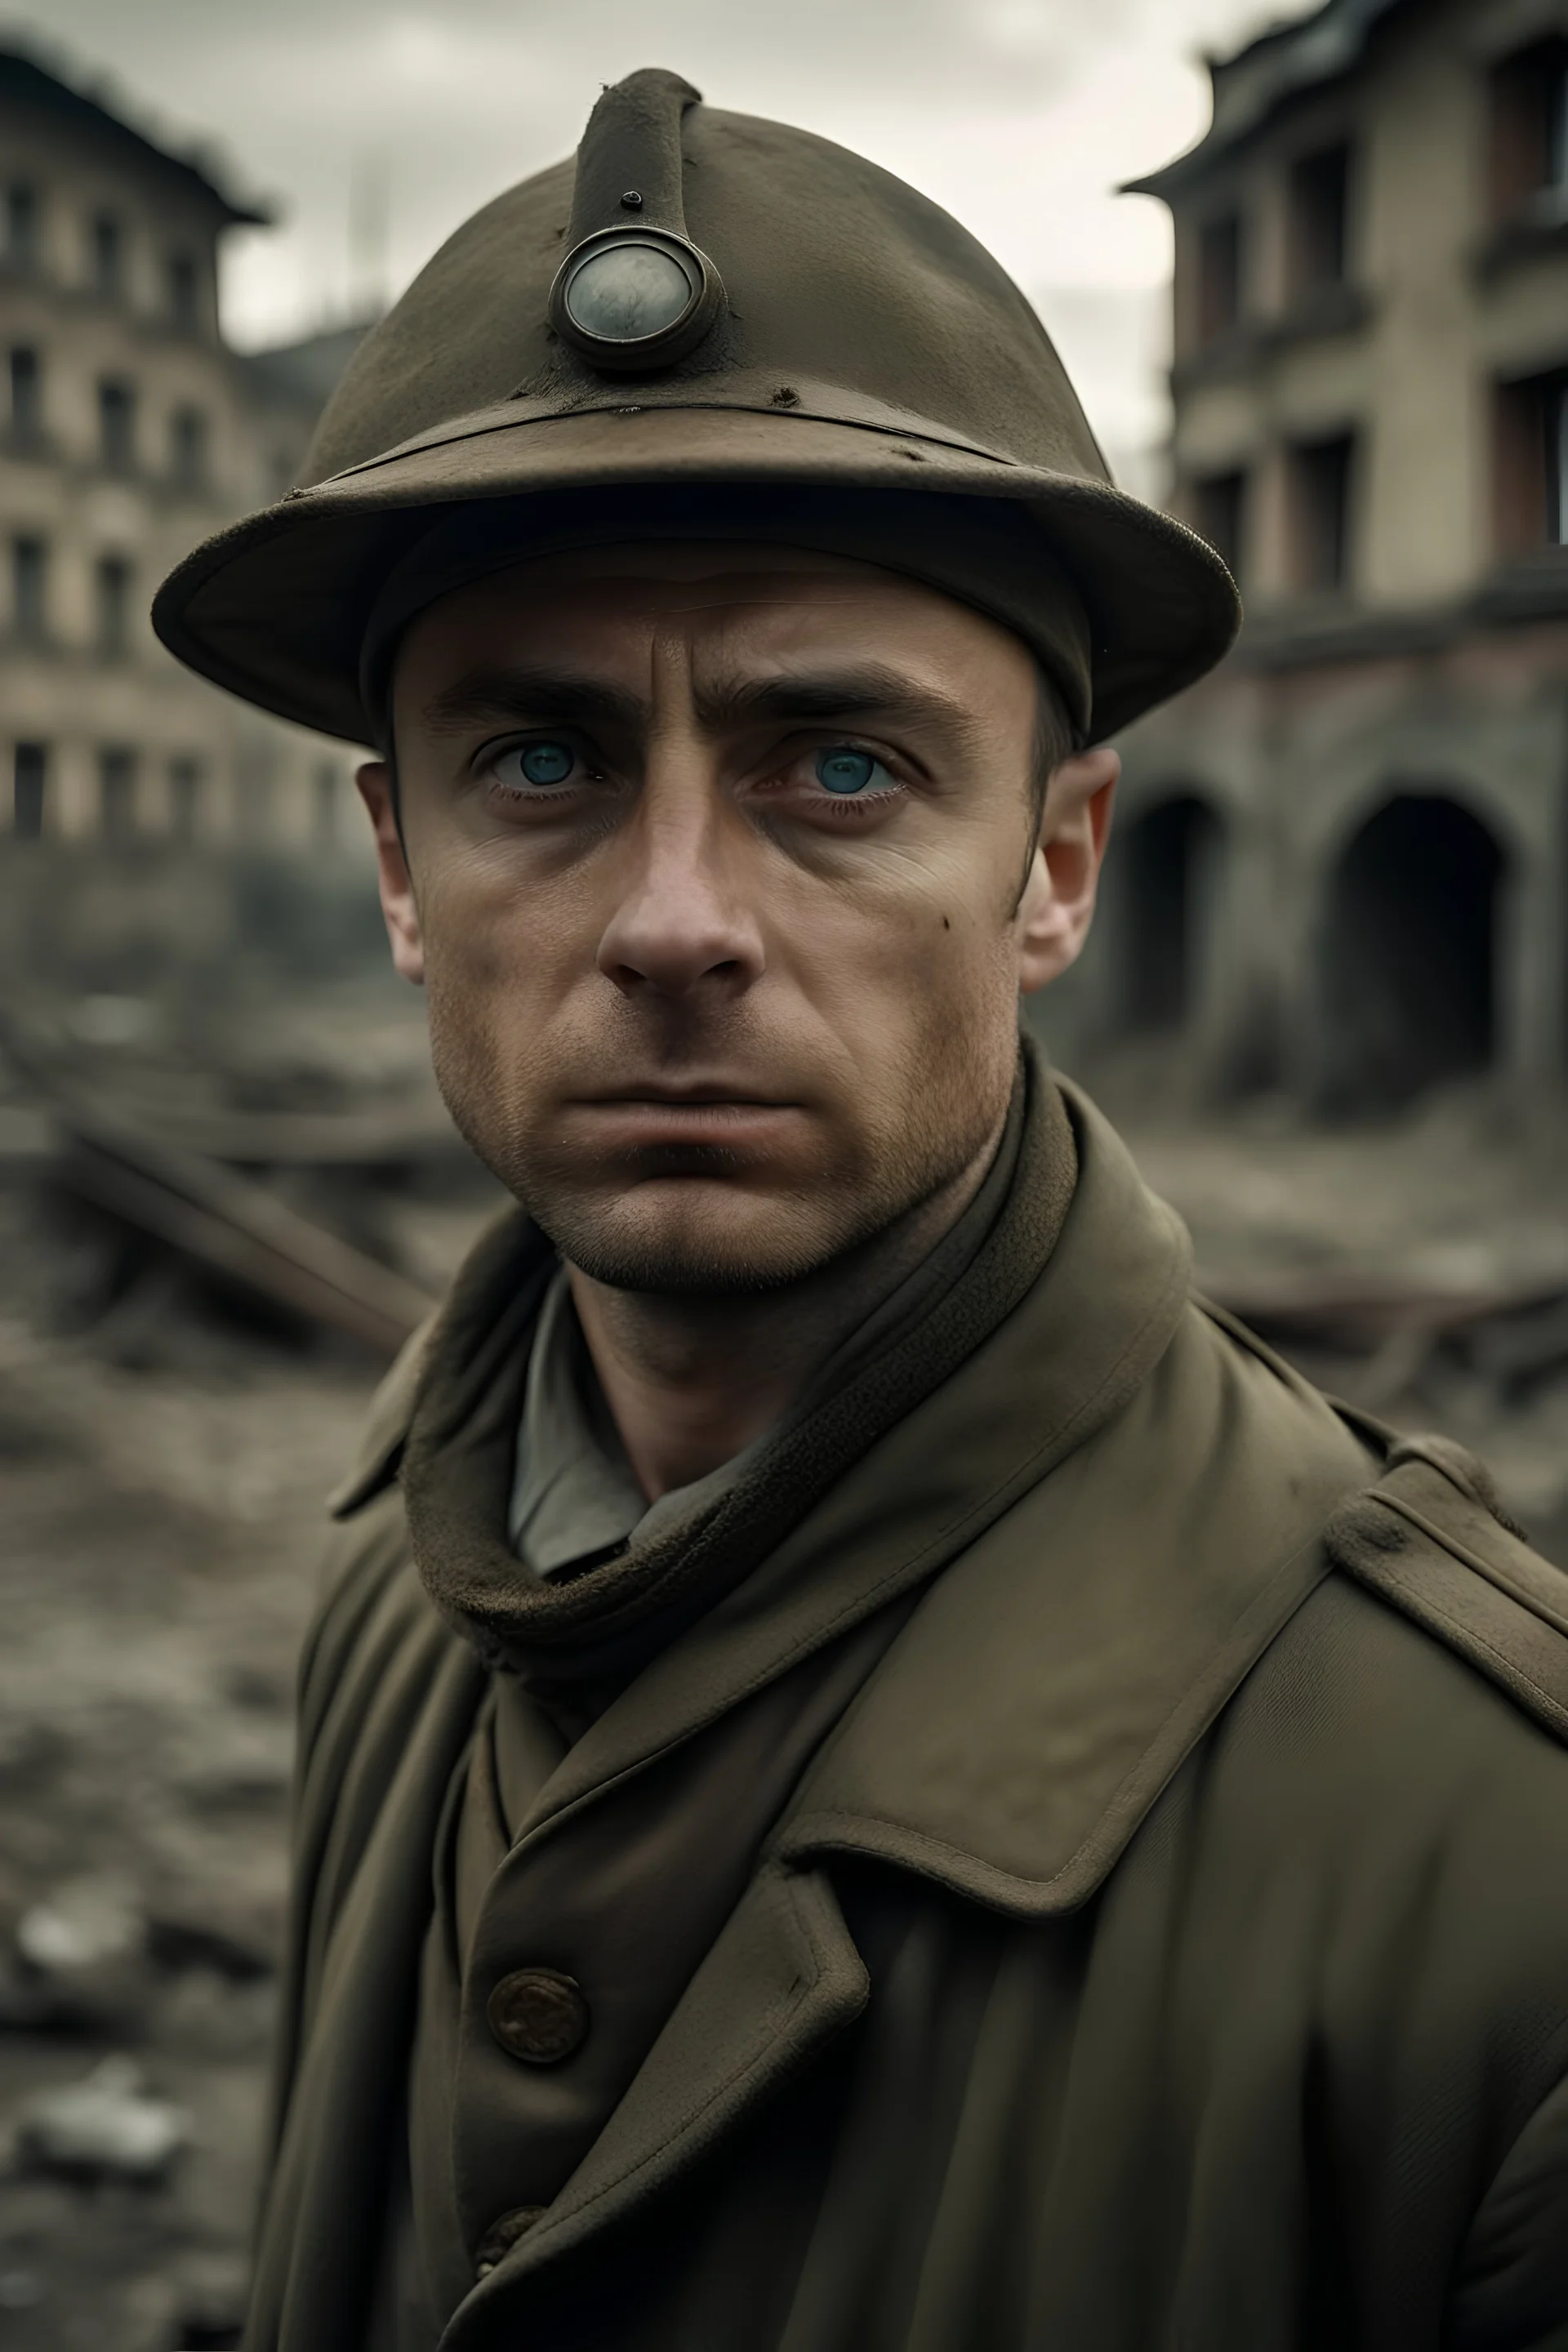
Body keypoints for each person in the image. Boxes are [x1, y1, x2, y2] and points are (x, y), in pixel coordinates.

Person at [157, 68, 1568, 2352]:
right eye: (544, 761)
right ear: (403, 870)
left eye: (842, 765)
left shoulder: (1492, 1869)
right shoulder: (392, 1612)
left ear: (1058, 865)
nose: (679, 922)